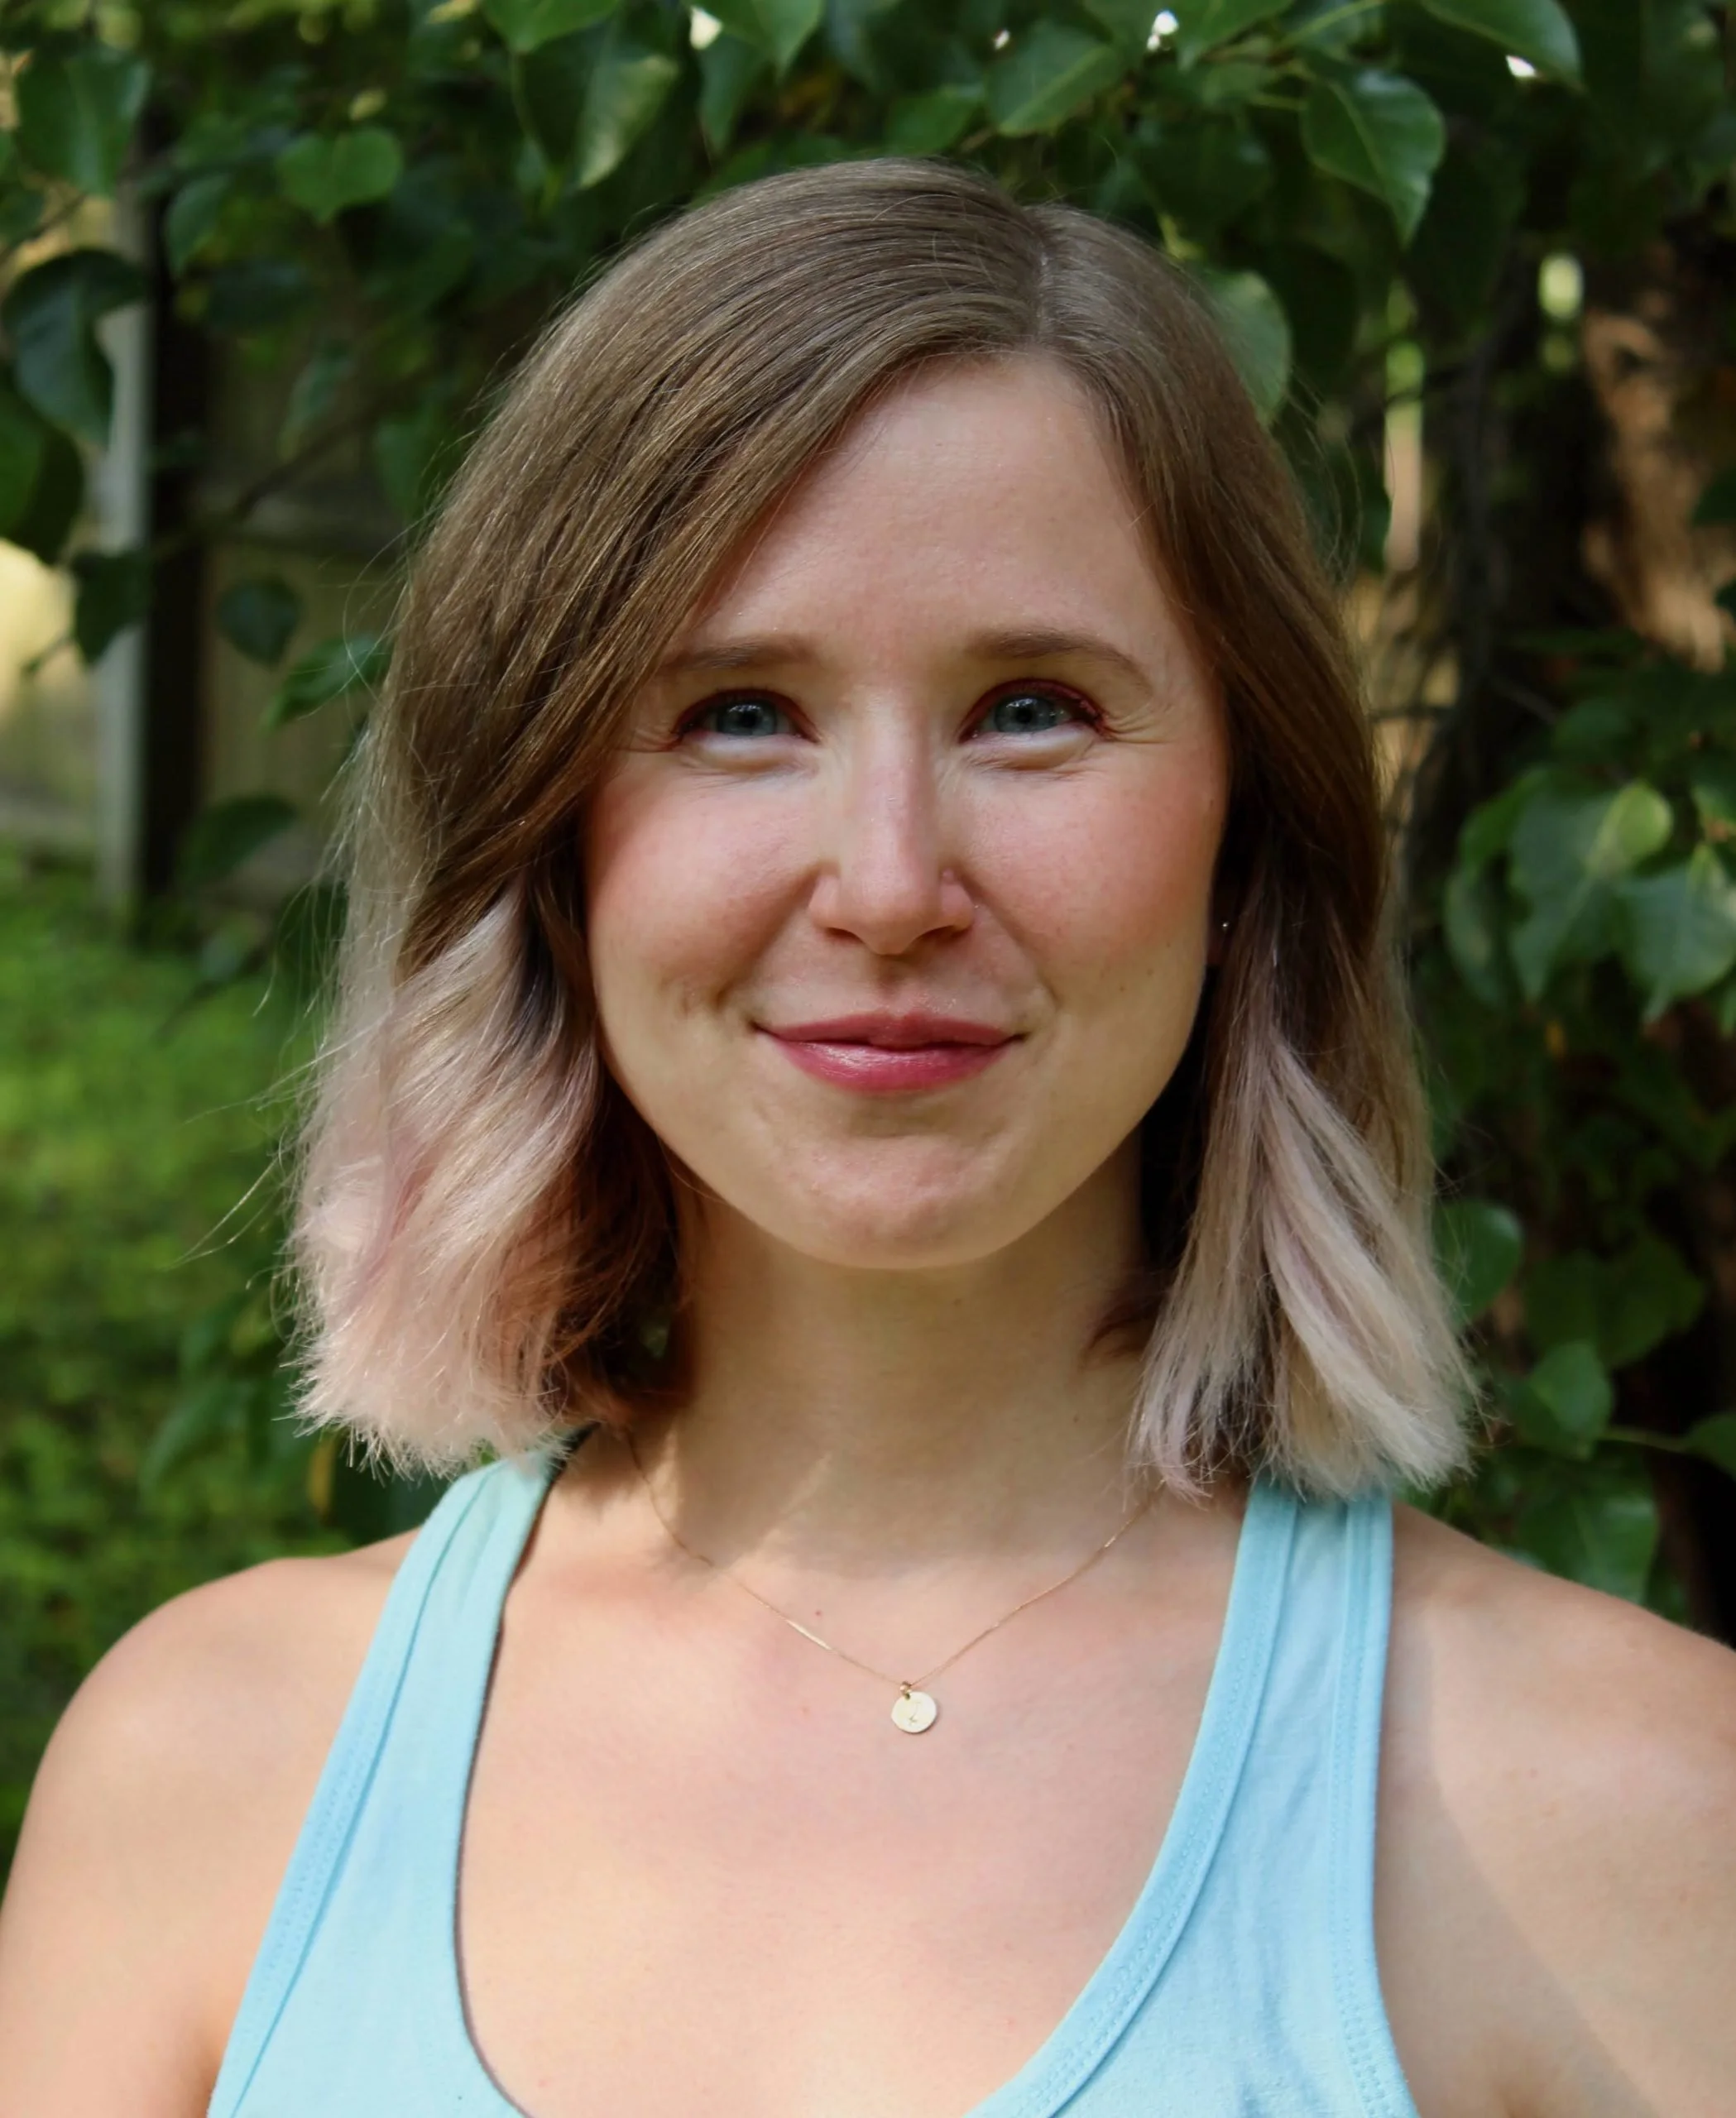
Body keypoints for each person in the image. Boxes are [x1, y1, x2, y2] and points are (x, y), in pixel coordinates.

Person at [1, 157, 1733, 2118]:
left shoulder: (1622, 1810)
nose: (891, 880)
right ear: (545, 841)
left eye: (1029, 708)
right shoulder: (207, 1772)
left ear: (1250, 838)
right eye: (739, 713)